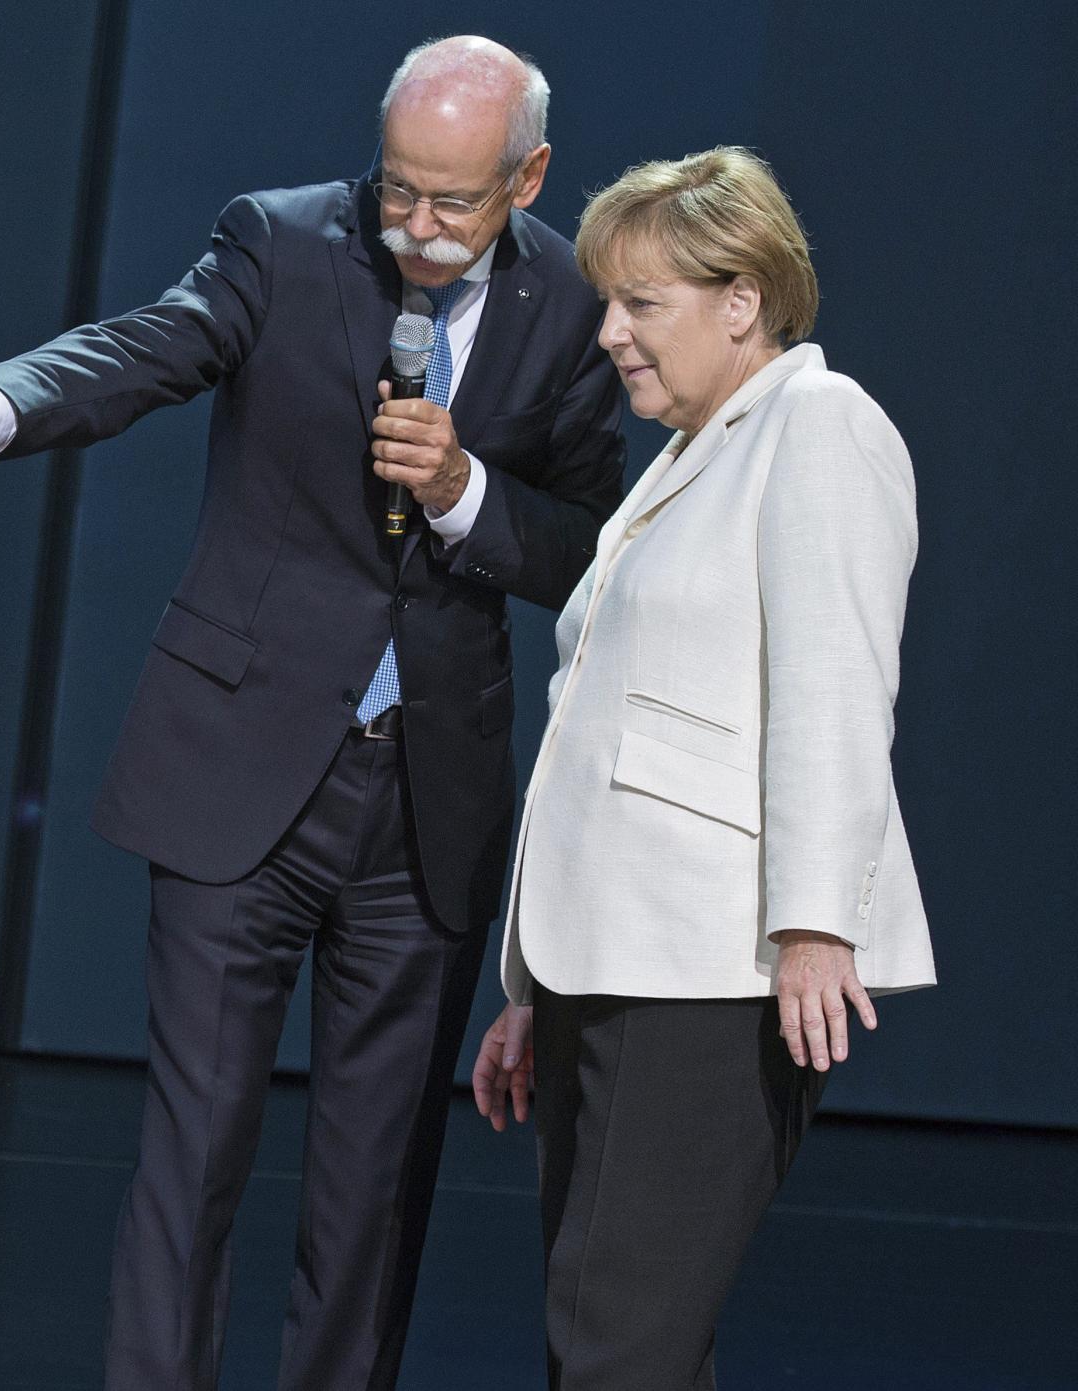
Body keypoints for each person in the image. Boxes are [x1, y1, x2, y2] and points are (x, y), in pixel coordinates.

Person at [0, 36, 625, 1391]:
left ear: (529, 176)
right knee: (193, 1153)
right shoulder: (282, 243)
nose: (414, 227)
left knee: (375, 1186)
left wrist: (465, 491)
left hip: (426, 805)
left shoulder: (578, 304)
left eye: (453, 202)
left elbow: (589, 545)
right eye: (399, 187)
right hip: (239, 778)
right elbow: (138, 352)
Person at [469, 146, 937, 1389]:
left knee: (616, 1333)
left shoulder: (816, 425)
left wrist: (812, 924)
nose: (610, 333)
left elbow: (836, 690)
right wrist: (532, 983)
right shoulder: (689, 454)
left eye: (641, 304)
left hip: (711, 968)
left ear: (740, 300)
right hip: (616, 962)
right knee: (627, 1333)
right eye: (606, 303)